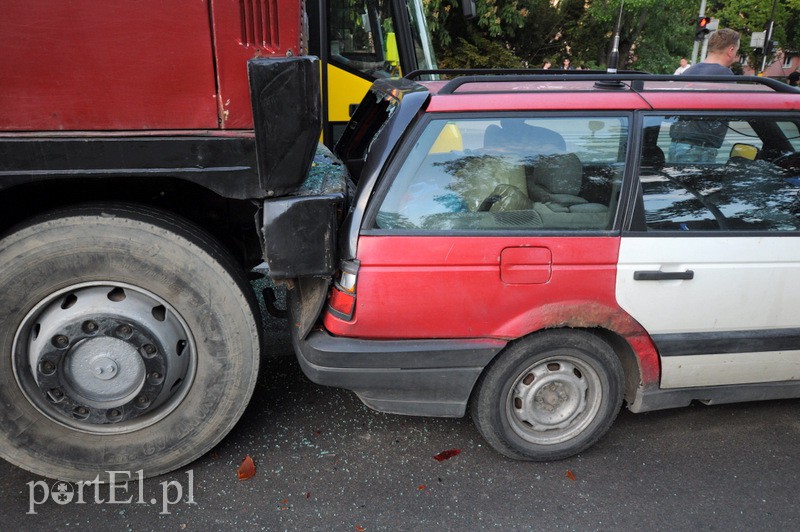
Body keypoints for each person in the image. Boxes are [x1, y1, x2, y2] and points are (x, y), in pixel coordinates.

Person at [669, 28, 740, 162]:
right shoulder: (725, 76)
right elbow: (734, 110)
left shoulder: (689, 72)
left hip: (677, 144)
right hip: (699, 149)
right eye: (736, 51)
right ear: (730, 50)